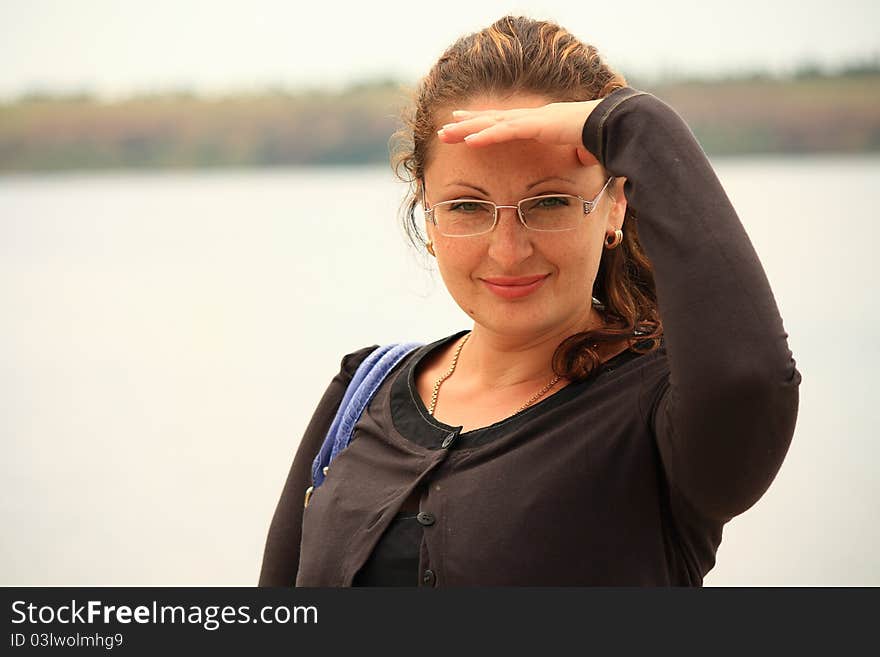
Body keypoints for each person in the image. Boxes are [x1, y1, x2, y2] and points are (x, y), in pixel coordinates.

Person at [258, 15, 801, 587]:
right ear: (429, 214)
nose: (509, 251)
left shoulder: (664, 420)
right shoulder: (361, 393)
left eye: (550, 203)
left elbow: (751, 376)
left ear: (615, 205)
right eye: (468, 206)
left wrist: (632, 123)